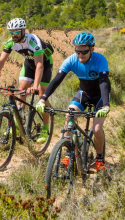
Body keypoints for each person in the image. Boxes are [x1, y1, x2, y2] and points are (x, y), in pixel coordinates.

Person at [35, 32, 110, 171]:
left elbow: (104, 83)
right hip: (84, 94)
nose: (80, 55)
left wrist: (105, 105)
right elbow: (56, 80)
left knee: (97, 128)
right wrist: (43, 99)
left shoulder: (100, 60)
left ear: (92, 49)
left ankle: (99, 159)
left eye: (84, 51)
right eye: (77, 51)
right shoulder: (71, 60)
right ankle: (68, 152)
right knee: (69, 116)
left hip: (100, 96)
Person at [0, 18, 54, 143]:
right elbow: (1, 61)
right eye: (11, 32)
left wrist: (35, 85)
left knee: (41, 93)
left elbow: (39, 65)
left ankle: (45, 128)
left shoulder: (33, 41)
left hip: (44, 64)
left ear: (23, 31)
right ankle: (18, 123)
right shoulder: (11, 42)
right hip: (28, 63)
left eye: (16, 32)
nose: (13, 35)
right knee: (22, 90)